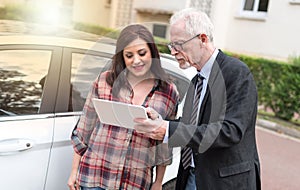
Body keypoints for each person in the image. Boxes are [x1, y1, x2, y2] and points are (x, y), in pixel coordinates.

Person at [134, 8, 261, 190]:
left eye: (179, 44)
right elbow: (194, 126)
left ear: (202, 39)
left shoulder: (236, 73)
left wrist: (169, 129)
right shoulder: (196, 80)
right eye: (171, 45)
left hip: (224, 182)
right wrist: (162, 122)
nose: (174, 51)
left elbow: (230, 131)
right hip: (192, 176)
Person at [67, 24, 180, 190]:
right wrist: (74, 171)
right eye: (129, 55)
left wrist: (158, 182)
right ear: (122, 57)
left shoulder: (168, 92)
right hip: (94, 176)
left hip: (134, 181)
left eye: (142, 53)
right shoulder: (105, 81)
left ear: (152, 52)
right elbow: (84, 128)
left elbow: (164, 144)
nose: (136, 60)